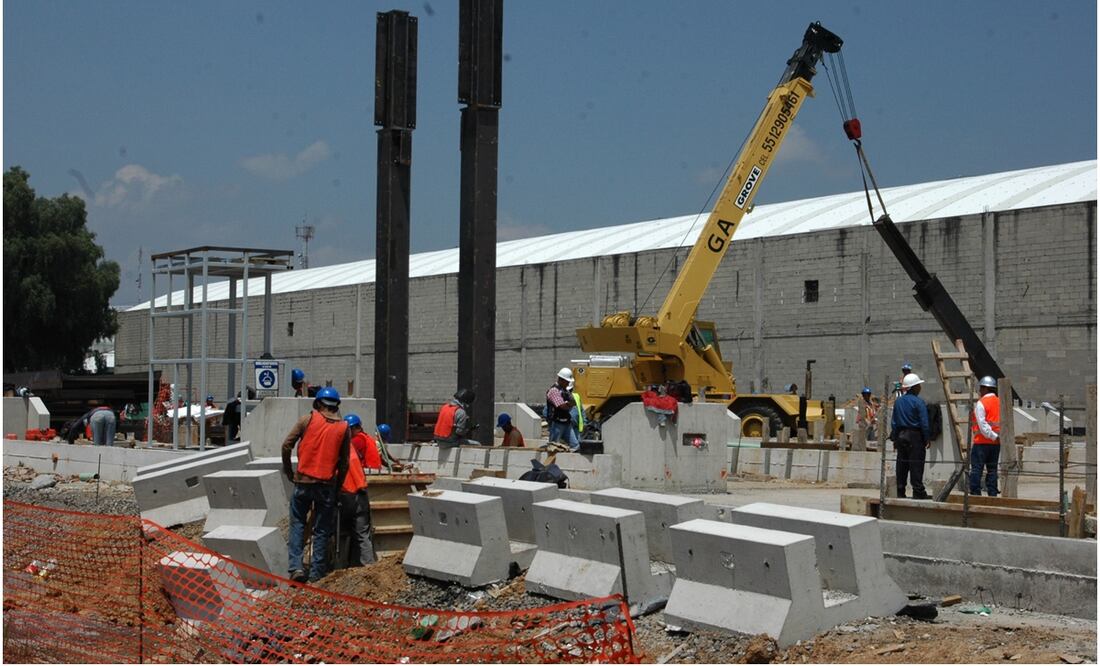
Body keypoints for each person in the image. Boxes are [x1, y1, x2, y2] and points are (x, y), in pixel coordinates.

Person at [282, 387, 351, 583]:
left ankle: (296, 567)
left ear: (318, 404)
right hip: (326, 485)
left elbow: (287, 444)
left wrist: (289, 471)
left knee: (297, 524)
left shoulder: (308, 419)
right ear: (336, 405)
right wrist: (337, 489)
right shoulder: (344, 427)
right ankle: (317, 575)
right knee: (321, 530)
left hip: (303, 481)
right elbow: (344, 462)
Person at [890, 373, 932, 499]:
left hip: (901, 436)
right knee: (916, 464)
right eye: (918, 385)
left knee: (902, 464)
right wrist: (927, 438)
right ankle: (918, 491)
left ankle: (900, 490)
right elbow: (924, 423)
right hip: (915, 436)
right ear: (914, 387)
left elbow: (894, 422)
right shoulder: (919, 402)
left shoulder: (898, 402)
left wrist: (895, 438)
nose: (920, 387)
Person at [336, 440, 376, 568]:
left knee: (340, 533)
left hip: (343, 496)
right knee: (362, 534)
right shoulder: (349, 448)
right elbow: (356, 468)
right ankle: (369, 565)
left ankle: (339, 566)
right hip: (357, 495)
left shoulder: (335, 449)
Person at [969, 375, 1001, 496]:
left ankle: (975, 493)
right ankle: (992, 493)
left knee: (977, 469)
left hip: (981, 443)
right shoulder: (1000, 402)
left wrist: (992, 436)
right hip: (996, 444)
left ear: (986, 389)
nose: (980, 391)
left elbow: (982, 425)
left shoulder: (981, 403)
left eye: (981, 388)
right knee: (992, 470)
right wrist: (996, 438)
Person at [546, 368, 579, 450]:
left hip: (566, 422)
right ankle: (550, 463)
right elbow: (562, 406)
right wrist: (568, 404)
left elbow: (573, 402)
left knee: (575, 446)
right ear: (561, 379)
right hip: (556, 423)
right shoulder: (554, 391)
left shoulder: (564, 390)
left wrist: (568, 403)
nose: (568, 383)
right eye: (567, 381)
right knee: (553, 447)